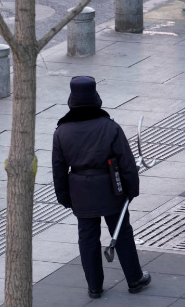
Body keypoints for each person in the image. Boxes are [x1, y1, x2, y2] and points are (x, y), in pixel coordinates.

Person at [52, 76, 151, 299]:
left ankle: (94, 286)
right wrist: (131, 190)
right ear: (95, 97)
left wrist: (65, 197)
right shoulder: (110, 127)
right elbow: (126, 163)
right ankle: (134, 278)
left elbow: (58, 170)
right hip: (111, 188)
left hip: (80, 190)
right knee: (122, 232)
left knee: (87, 237)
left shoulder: (62, 132)